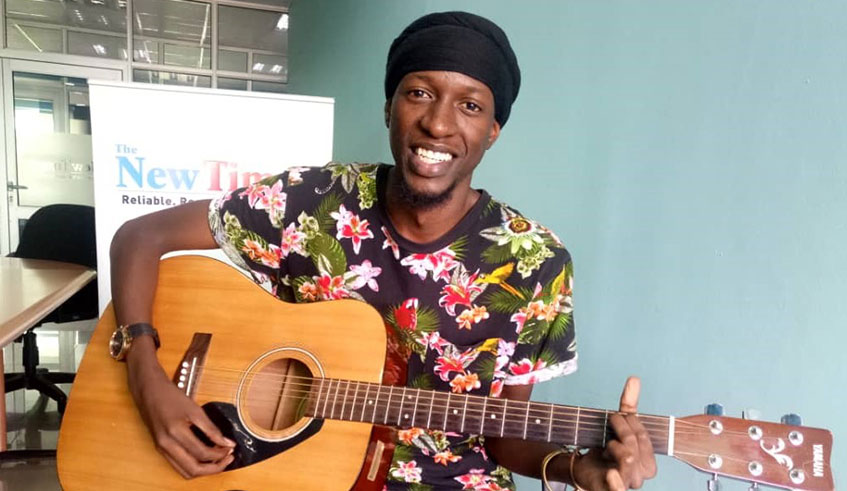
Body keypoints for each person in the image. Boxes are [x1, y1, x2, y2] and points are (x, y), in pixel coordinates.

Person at [110, 11, 656, 491]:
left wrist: (576, 468)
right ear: (389, 107)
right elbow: (140, 237)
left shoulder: (537, 262)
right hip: (285, 467)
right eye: (419, 93)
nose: (438, 124)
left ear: (492, 131)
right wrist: (145, 373)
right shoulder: (310, 201)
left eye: (469, 105)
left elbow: (506, 442)